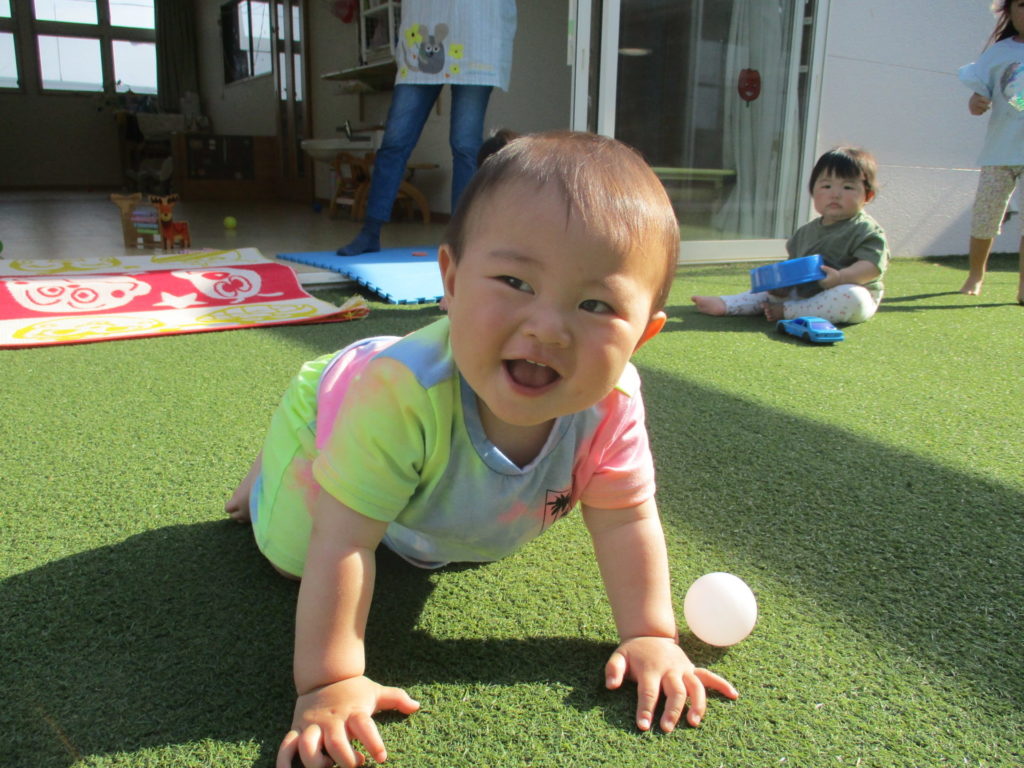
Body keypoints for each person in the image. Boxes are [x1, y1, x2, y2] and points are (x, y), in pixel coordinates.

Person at [226, 132, 739, 768]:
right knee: (293, 559)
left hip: (411, 451)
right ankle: (272, 470)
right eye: (515, 281)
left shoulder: (612, 406)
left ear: (642, 335)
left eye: (595, 304)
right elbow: (344, 540)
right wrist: (329, 683)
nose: (547, 328)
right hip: (335, 404)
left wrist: (650, 635)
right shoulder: (400, 395)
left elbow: (626, 519)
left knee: (425, 538)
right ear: (450, 279)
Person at [337, 0, 517, 256]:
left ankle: (458, 243)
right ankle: (370, 232)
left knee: (465, 146)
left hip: (477, 37)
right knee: (395, 141)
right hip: (426, 31)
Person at [691, 147, 889, 325]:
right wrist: (782, 285)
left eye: (847, 187)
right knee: (767, 293)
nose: (835, 194)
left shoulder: (866, 230)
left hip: (849, 292)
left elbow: (871, 267)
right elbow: (796, 267)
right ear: (813, 192)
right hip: (807, 292)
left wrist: (840, 277)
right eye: (826, 186)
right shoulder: (805, 232)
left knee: (852, 297)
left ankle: (788, 311)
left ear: (867, 195)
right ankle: (729, 304)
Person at [957, 0, 1024, 303]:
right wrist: (976, 103)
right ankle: (975, 274)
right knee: (985, 216)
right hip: (999, 153)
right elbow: (977, 97)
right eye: (1022, 5)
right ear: (1008, 11)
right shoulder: (998, 52)